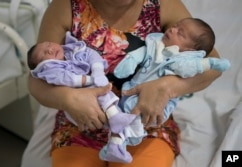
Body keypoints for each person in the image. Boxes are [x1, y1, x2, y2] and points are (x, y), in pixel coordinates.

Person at [22, 0, 223, 167]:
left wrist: (168, 87)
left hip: (145, 126)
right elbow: (36, 78)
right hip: (82, 124)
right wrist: (67, 98)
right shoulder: (66, 7)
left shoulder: (163, 5)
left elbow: (213, 64)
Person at [100, 17, 230, 163]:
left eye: (180, 33)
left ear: (189, 49)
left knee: (132, 120)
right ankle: (117, 140)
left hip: (153, 113)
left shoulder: (183, 60)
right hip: (122, 97)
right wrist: (131, 61)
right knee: (117, 112)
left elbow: (194, 68)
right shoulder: (155, 44)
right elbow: (142, 54)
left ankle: (119, 142)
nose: (172, 29)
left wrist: (210, 63)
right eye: (175, 26)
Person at [28, 31, 137, 163]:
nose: (50, 49)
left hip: (118, 98)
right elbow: (69, 79)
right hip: (81, 106)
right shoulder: (52, 71)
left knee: (116, 118)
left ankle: (115, 145)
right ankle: (116, 120)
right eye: (45, 54)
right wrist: (91, 80)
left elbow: (91, 54)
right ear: (42, 66)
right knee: (102, 95)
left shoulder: (73, 50)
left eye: (49, 44)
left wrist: (97, 70)